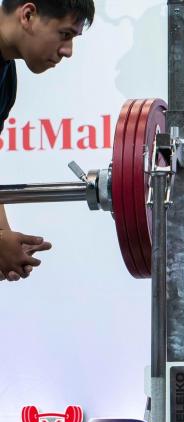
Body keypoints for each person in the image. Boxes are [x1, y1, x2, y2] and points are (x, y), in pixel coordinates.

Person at [0, 0, 95, 281]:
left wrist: (4, 240)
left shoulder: (6, 78)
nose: (68, 51)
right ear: (28, 15)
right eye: (64, 34)